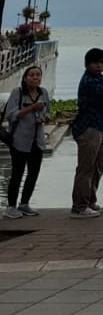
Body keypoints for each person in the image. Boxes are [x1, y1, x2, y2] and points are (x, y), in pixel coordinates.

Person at [70, 47, 103, 218]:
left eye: (102, 62)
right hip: (88, 127)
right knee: (86, 168)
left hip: (101, 127)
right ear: (88, 64)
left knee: (99, 165)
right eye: (96, 63)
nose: (100, 66)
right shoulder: (89, 82)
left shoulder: (100, 79)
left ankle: (90, 201)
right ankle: (79, 207)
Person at [3, 64, 49, 218]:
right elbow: (12, 115)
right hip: (19, 140)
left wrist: (44, 117)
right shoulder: (18, 93)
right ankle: (10, 206)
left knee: (33, 173)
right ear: (25, 77)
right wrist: (32, 107)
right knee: (17, 173)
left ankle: (24, 204)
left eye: (38, 75)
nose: (35, 78)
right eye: (32, 75)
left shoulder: (43, 93)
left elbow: (47, 111)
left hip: (38, 140)